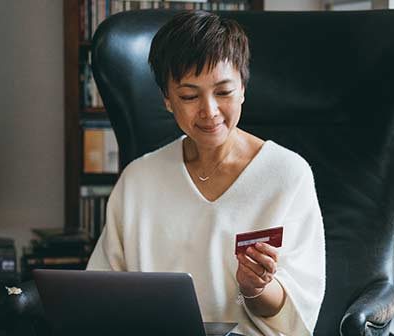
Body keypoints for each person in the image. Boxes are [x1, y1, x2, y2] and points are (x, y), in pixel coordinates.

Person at [86, 10, 326, 336]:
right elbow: (100, 293)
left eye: (224, 92)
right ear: (167, 99)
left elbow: (296, 313)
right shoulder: (138, 180)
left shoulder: (287, 175)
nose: (209, 111)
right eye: (189, 96)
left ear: (243, 87)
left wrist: (256, 288)